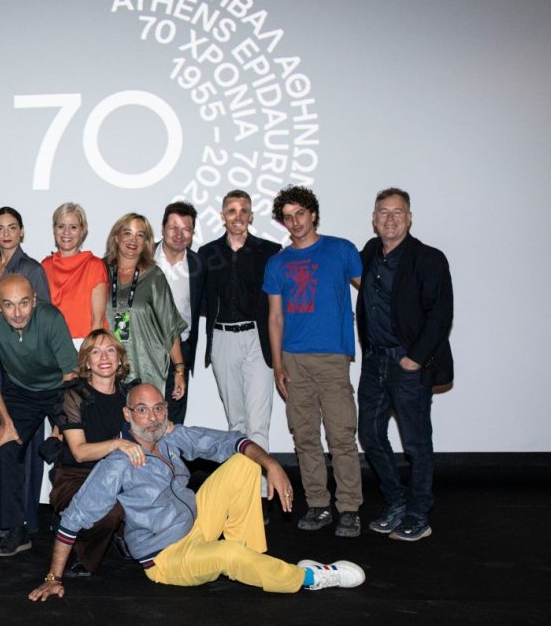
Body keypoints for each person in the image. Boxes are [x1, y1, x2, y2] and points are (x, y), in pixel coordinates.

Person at [28, 384, 366, 601]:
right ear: (127, 414)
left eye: (158, 408)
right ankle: (307, 576)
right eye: (142, 410)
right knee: (229, 555)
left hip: (197, 523)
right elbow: (73, 519)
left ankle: (250, 557)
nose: (152, 417)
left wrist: (272, 465)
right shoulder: (118, 463)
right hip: (166, 556)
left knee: (245, 463)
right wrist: (53, 577)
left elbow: (226, 441)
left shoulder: (170, 436)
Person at [264, 186, 363, 537]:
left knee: (341, 437)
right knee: (305, 437)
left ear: (313, 214)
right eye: (287, 217)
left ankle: (349, 508)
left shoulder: (342, 250)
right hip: (293, 360)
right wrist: (278, 365)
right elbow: (275, 318)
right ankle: (319, 504)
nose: (295, 222)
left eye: (300, 214)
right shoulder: (277, 263)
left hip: (333, 358)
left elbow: (371, 291)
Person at [355, 188, 453, 541]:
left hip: (408, 364)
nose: (390, 218)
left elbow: (440, 316)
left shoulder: (429, 259)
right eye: (383, 211)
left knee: (416, 444)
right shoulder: (369, 252)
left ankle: (418, 513)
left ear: (409, 218)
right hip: (374, 362)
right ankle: (396, 502)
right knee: (369, 434)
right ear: (374, 218)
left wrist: (415, 359)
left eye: (397, 212)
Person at [0, 274, 76, 557]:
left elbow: (71, 374)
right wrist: (6, 423)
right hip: (21, 392)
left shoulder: (51, 318)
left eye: (23, 303)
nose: (17, 313)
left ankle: (70, 524)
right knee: (6, 447)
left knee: (71, 450)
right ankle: (16, 529)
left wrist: (60, 429)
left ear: (34, 300)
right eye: (9, 305)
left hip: (60, 388)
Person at [199, 190, 281, 508]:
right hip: (223, 339)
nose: (237, 216)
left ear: (251, 216)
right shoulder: (208, 253)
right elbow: (200, 299)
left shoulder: (269, 252)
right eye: (231, 210)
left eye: (243, 210)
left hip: (258, 340)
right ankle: (239, 491)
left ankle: (256, 497)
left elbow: (278, 302)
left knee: (258, 423)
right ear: (223, 216)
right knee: (236, 423)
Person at [0, 206, 51, 538]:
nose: (5, 233)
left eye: (12, 227)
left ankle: (24, 520)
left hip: (23, 368)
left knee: (24, 446)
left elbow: (43, 319)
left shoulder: (32, 269)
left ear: (22, 231)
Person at [49, 330, 135, 577]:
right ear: (87, 362)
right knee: (110, 511)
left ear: (120, 358)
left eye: (110, 350)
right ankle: (84, 552)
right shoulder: (73, 396)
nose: (104, 357)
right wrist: (117, 444)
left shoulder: (129, 396)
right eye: (95, 352)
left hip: (119, 475)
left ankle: (121, 533)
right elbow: (79, 452)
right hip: (77, 478)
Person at [103, 213, 187, 396]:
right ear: (116, 237)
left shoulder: (154, 276)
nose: (133, 240)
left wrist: (179, 370)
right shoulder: (100, 271)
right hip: (106, 367)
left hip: (146, 366)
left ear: (146, 242)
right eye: (127, 233)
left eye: (140, 235)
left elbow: (169, 327)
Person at [154, 201, 205, 425]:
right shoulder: (144, 258)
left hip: (180, 350)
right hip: (144, 349)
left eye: (186, 229)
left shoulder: (199, 265)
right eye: (173, 227)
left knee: (173, 419)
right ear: (162, 228)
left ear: (192, 233)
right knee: (142, 415)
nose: (179, 234)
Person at [41, 202, 108, 343]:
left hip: (85, 343)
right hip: (51, 344)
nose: (66, 232)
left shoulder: (94, 265)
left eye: (73, 227)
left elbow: (98, 321)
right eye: (61, 226)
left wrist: (90, 349)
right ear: (54, 230)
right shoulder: (45, 266)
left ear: (82, 231)